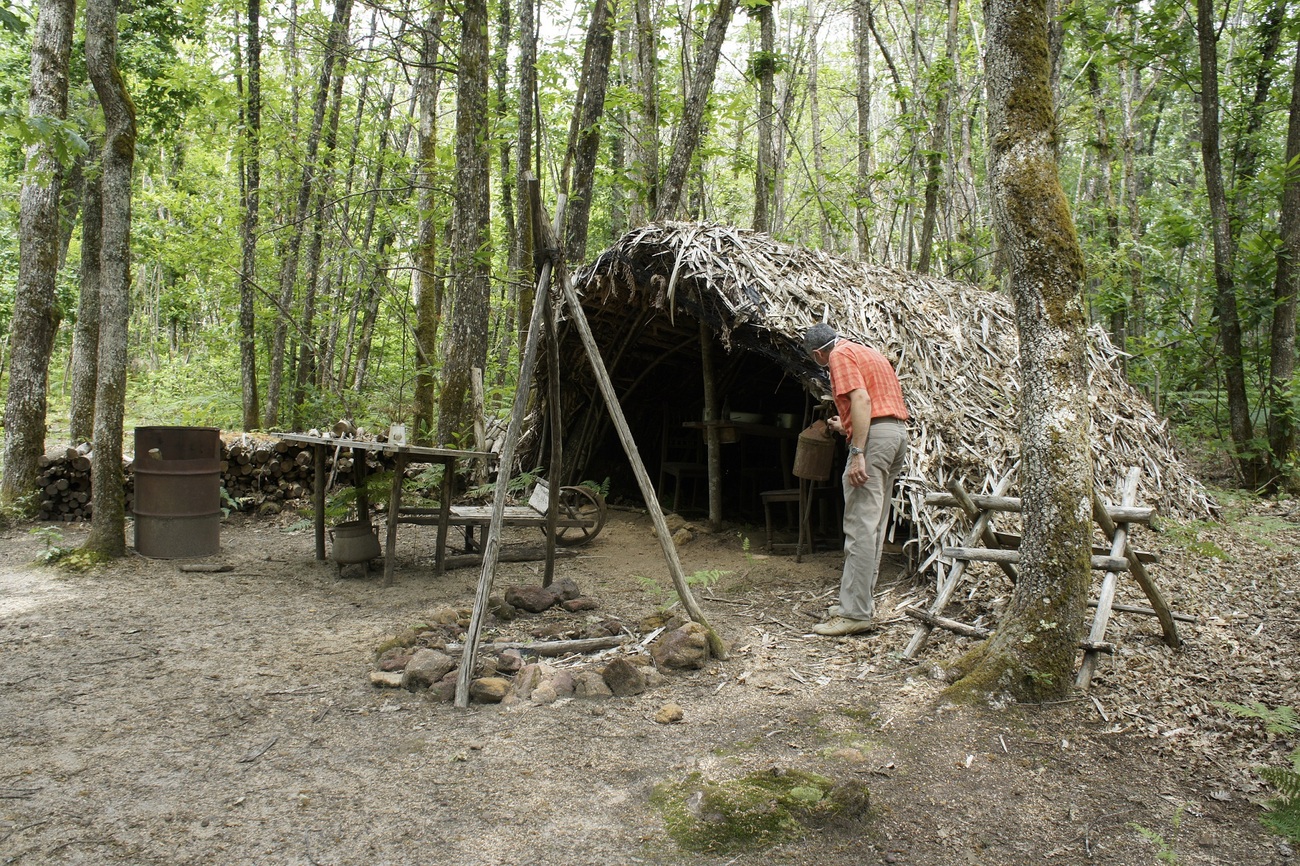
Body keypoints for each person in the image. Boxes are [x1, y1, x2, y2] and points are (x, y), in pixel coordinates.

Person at [802, 322, 910, 637]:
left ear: (819, 353)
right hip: (894, 436)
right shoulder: (868, 352)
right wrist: (844, 427)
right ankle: (857, 601)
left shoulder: (838, 356)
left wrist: (858, 451)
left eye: (816, 360)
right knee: (873, 526)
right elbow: (876, 404)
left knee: (860, 525)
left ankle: (855, 613)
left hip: (873, 441)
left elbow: (861, 401)